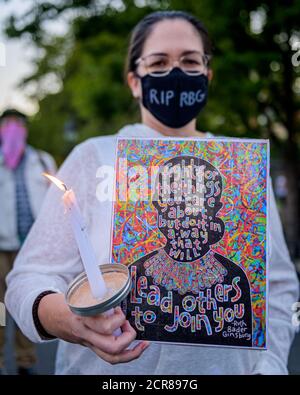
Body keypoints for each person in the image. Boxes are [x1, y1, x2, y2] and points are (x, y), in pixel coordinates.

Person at [5, 11, 299, 375]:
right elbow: (28, 278)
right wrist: (70, 322)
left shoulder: (244, 167)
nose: (176, 73)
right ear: (134, 80)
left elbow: (279, 285)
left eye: (190, 60)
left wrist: (269, 366)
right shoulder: (93, 158)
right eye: (159, 62)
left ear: (207, 74)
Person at [127, 155, 253, 347]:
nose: (182, 210)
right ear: (158, 207)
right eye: (171, 200)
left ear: (214, 208)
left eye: (193, 201)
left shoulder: (233, 278)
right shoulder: (136, 273)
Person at [0, 109, 56, 375]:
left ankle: (26, 362)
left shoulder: (42, 161)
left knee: (28, 306)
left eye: (17, 124)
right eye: (7, 124)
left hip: (33, 250)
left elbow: (56, 202)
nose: (12, 128)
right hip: (2, 249)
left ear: (25, 128)